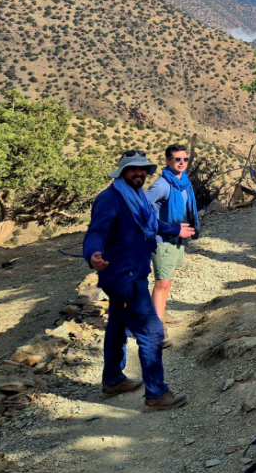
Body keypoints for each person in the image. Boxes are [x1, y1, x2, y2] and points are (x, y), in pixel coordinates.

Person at [82, 151, 195, 411]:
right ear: (122, 171)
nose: (139, 173)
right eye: (133, 169)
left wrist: (175, 228)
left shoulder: (135, 196)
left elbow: (151, 223)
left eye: (143, 169)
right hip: (125, 278)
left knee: (118, 326)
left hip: (129, 275)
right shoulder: (110, 199)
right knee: (152, 332)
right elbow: (95, 232)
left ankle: (113, 380)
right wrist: (93, 254)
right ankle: (156, 395)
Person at [144, 143, 200, 346]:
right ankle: (156, 329)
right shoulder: (162, 185)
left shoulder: (183, 182)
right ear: (168, 161)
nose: (182, 163)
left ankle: (159, 318)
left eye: (185, 159)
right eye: (177, 159)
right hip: (163, 240)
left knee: (166, 281)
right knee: (162, 283)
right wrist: (163, 227)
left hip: (177, 239)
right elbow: (142, 207)